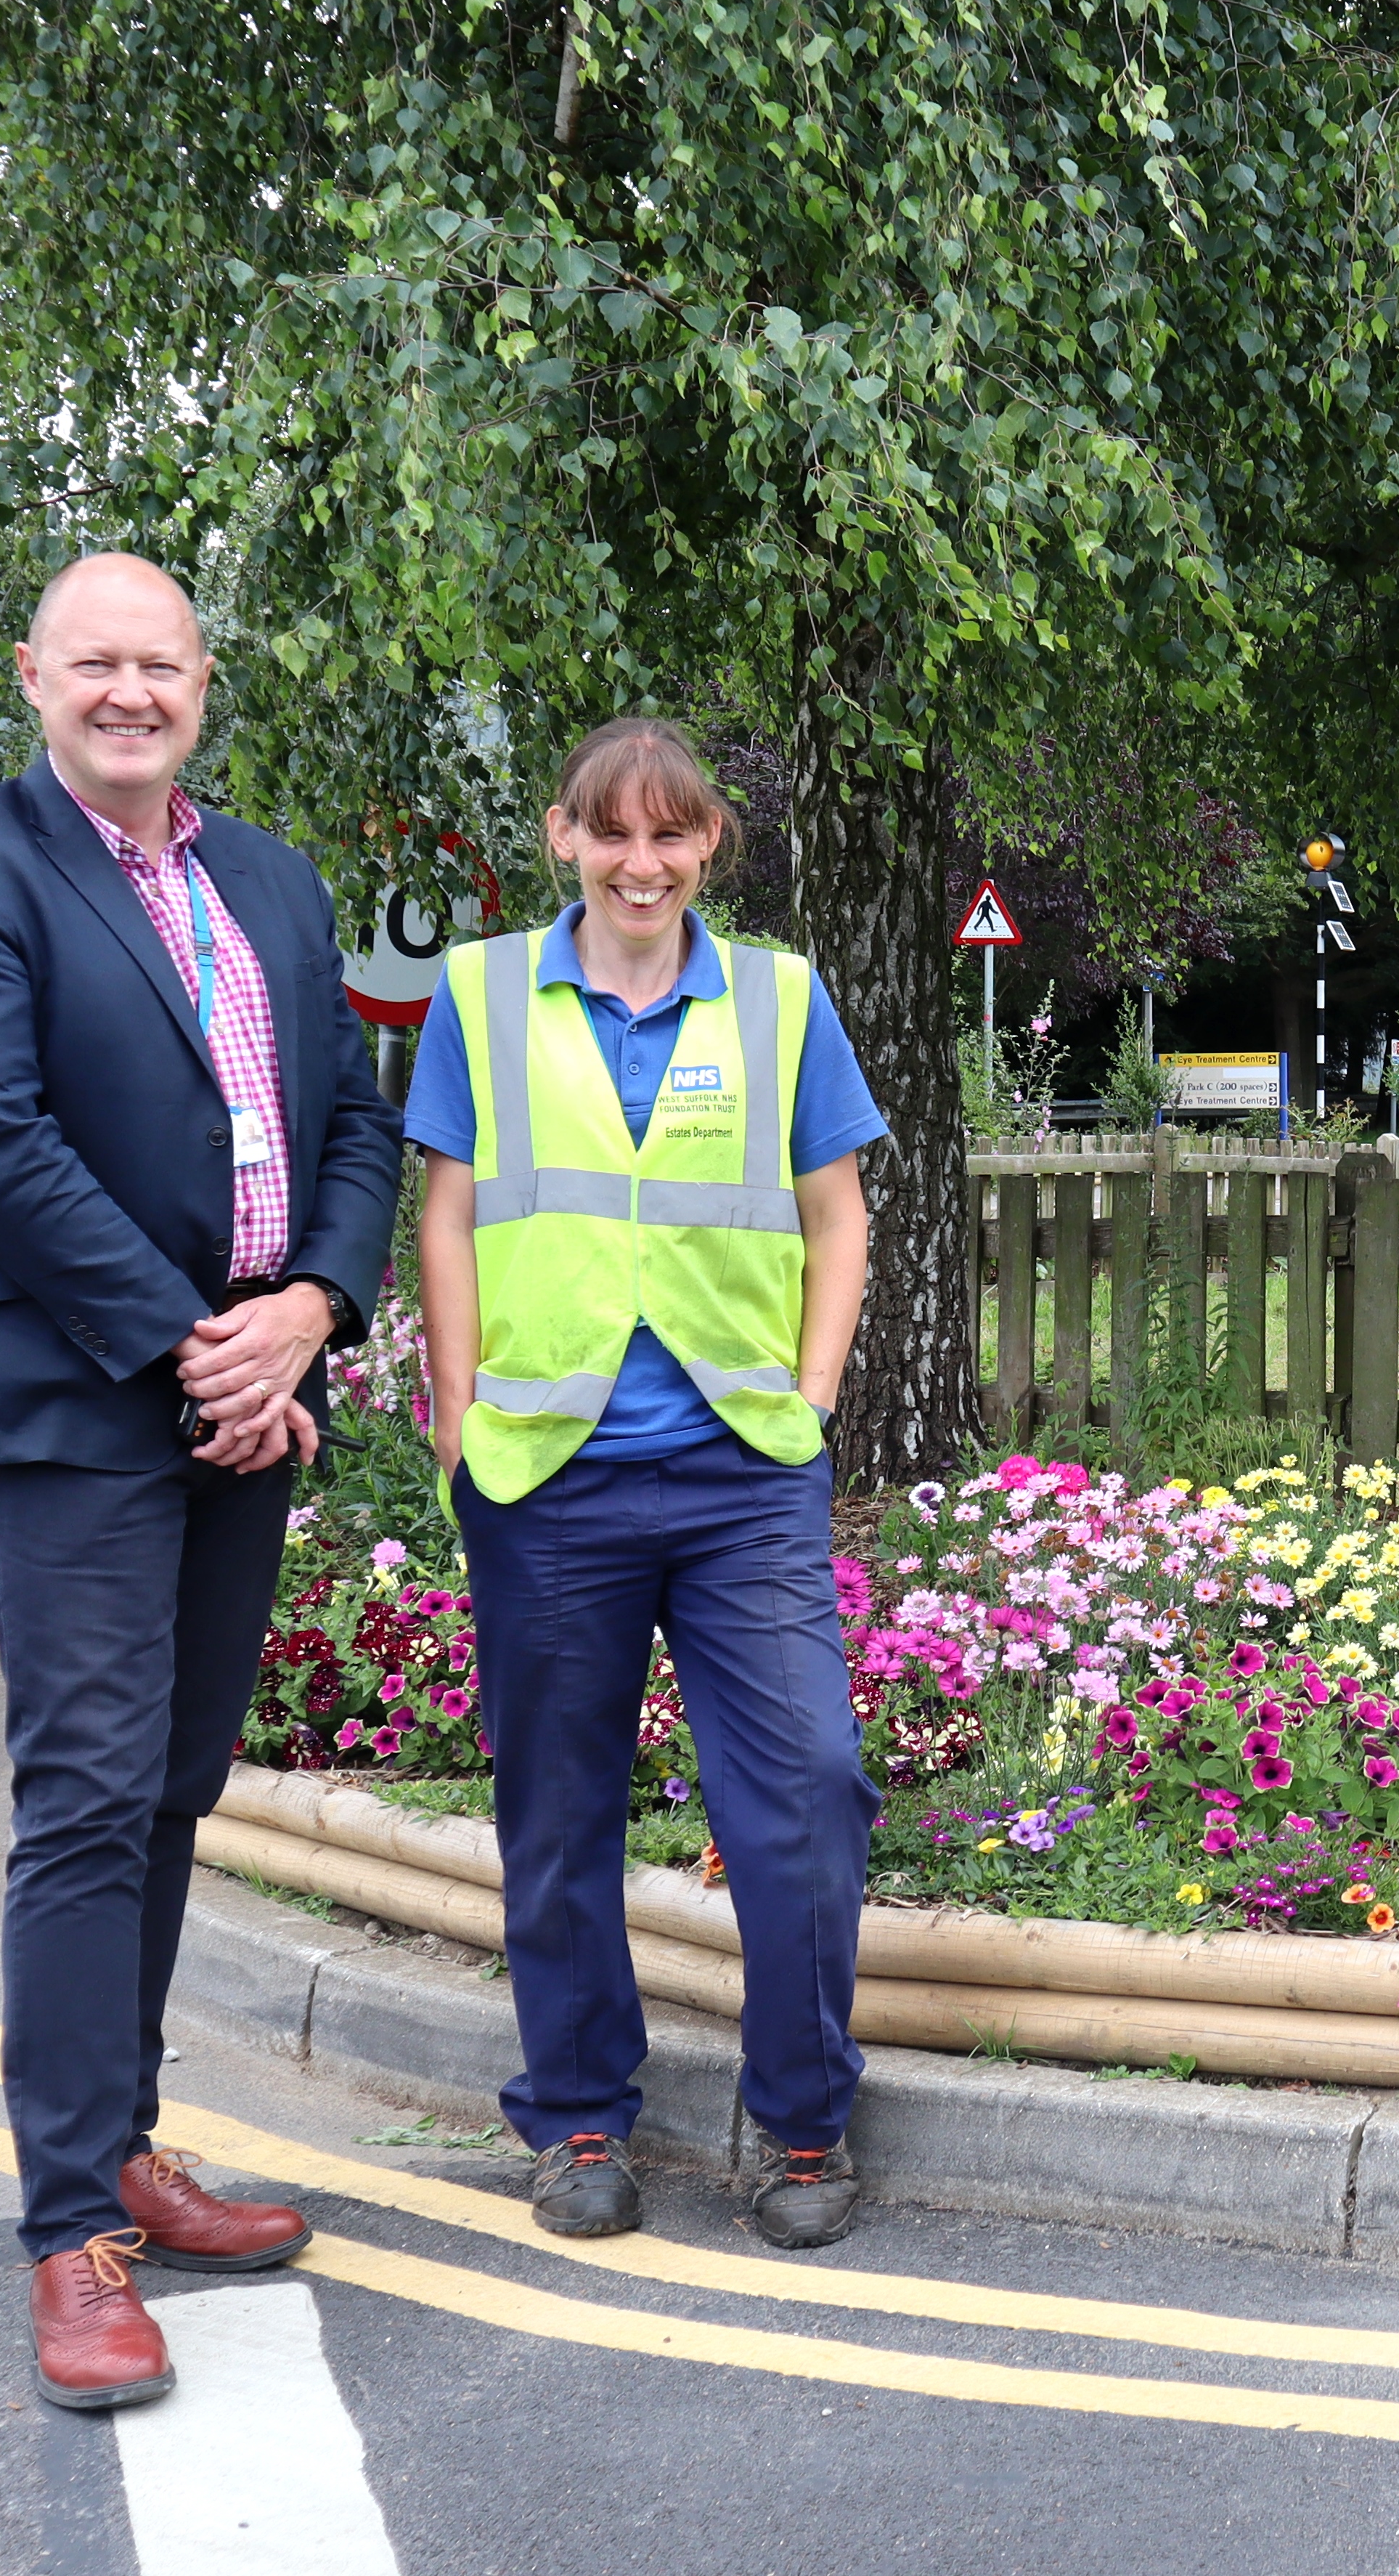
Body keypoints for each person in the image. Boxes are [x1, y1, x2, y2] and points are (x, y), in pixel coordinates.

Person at [0, 552, 404, 2411]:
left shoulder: (268, 874)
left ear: (200, 679)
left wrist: (314, 1307)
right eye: (93, 660)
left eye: (157, 662)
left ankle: (129, 2148)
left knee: (173, 1781)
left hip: (247, 1387)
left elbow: (347, 1113)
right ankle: (66, 2235)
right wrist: (202, 1341)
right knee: (89, 1794)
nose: (127, 690)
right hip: (84, 1404)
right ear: (33, 674)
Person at [407, 717, 889, 2251]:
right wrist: (457, 1414)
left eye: (669, 835)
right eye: (611, 833)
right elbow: (449, 1212)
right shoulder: (480, 994)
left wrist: (810, 1402)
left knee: (805, 1789)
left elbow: (839, 1214)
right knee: (557, 1812)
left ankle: (802, 2119)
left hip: (743, 1473)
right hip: (547, 1477)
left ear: (706, 845)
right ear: (562, 837)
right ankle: (576, 2118)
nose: (640, 861)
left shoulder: (778, 996)